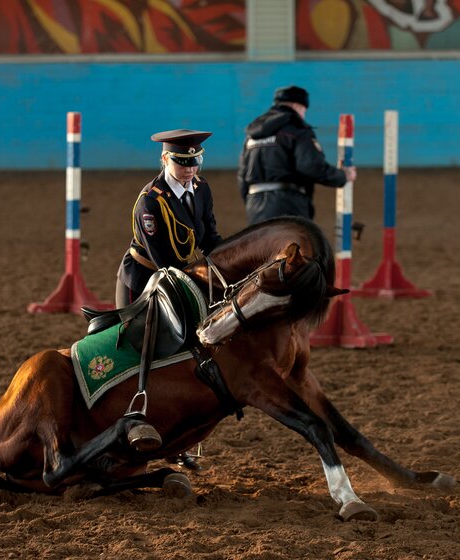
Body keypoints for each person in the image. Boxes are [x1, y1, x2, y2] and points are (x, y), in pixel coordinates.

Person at [115, 129, 224, 470]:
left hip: (186, 277)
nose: (189, 168)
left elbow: (211, 236)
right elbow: (163, 260)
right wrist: (200, 272)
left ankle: (181, 443)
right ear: (164, 159)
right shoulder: (151, 200)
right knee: (142, 356)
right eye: (181, 161)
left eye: (194, 161)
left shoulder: (202, 189)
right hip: (145, 281)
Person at [237, 85, 358, 225]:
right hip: (288, 204)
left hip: (254, 207)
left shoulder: (252, 136)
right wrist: (343, 175)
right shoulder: (296, 129)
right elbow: (311, 166)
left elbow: (242, 177)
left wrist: (252, 202)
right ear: (297, 106)